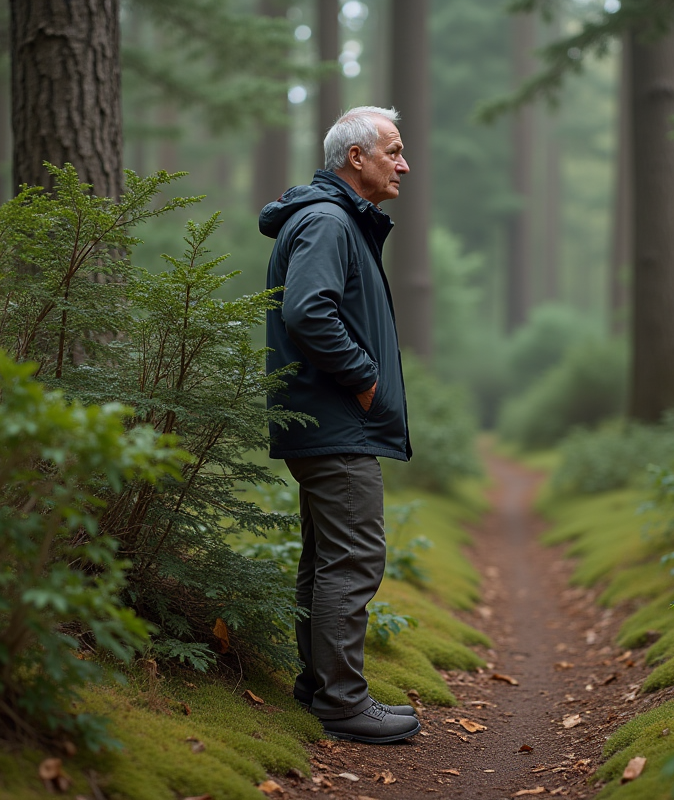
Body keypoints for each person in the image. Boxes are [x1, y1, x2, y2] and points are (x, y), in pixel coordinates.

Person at [259, 107, 420, 744]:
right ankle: (343, 702)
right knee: (353, 556)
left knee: (327, 557)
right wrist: (364, 380)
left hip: (324, 417)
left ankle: (318, 685)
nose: (404, 164)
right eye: (394, 151)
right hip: (335, 418)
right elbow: (308, 311)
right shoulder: (328, 221)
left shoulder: (331, 220)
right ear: (357, 158)